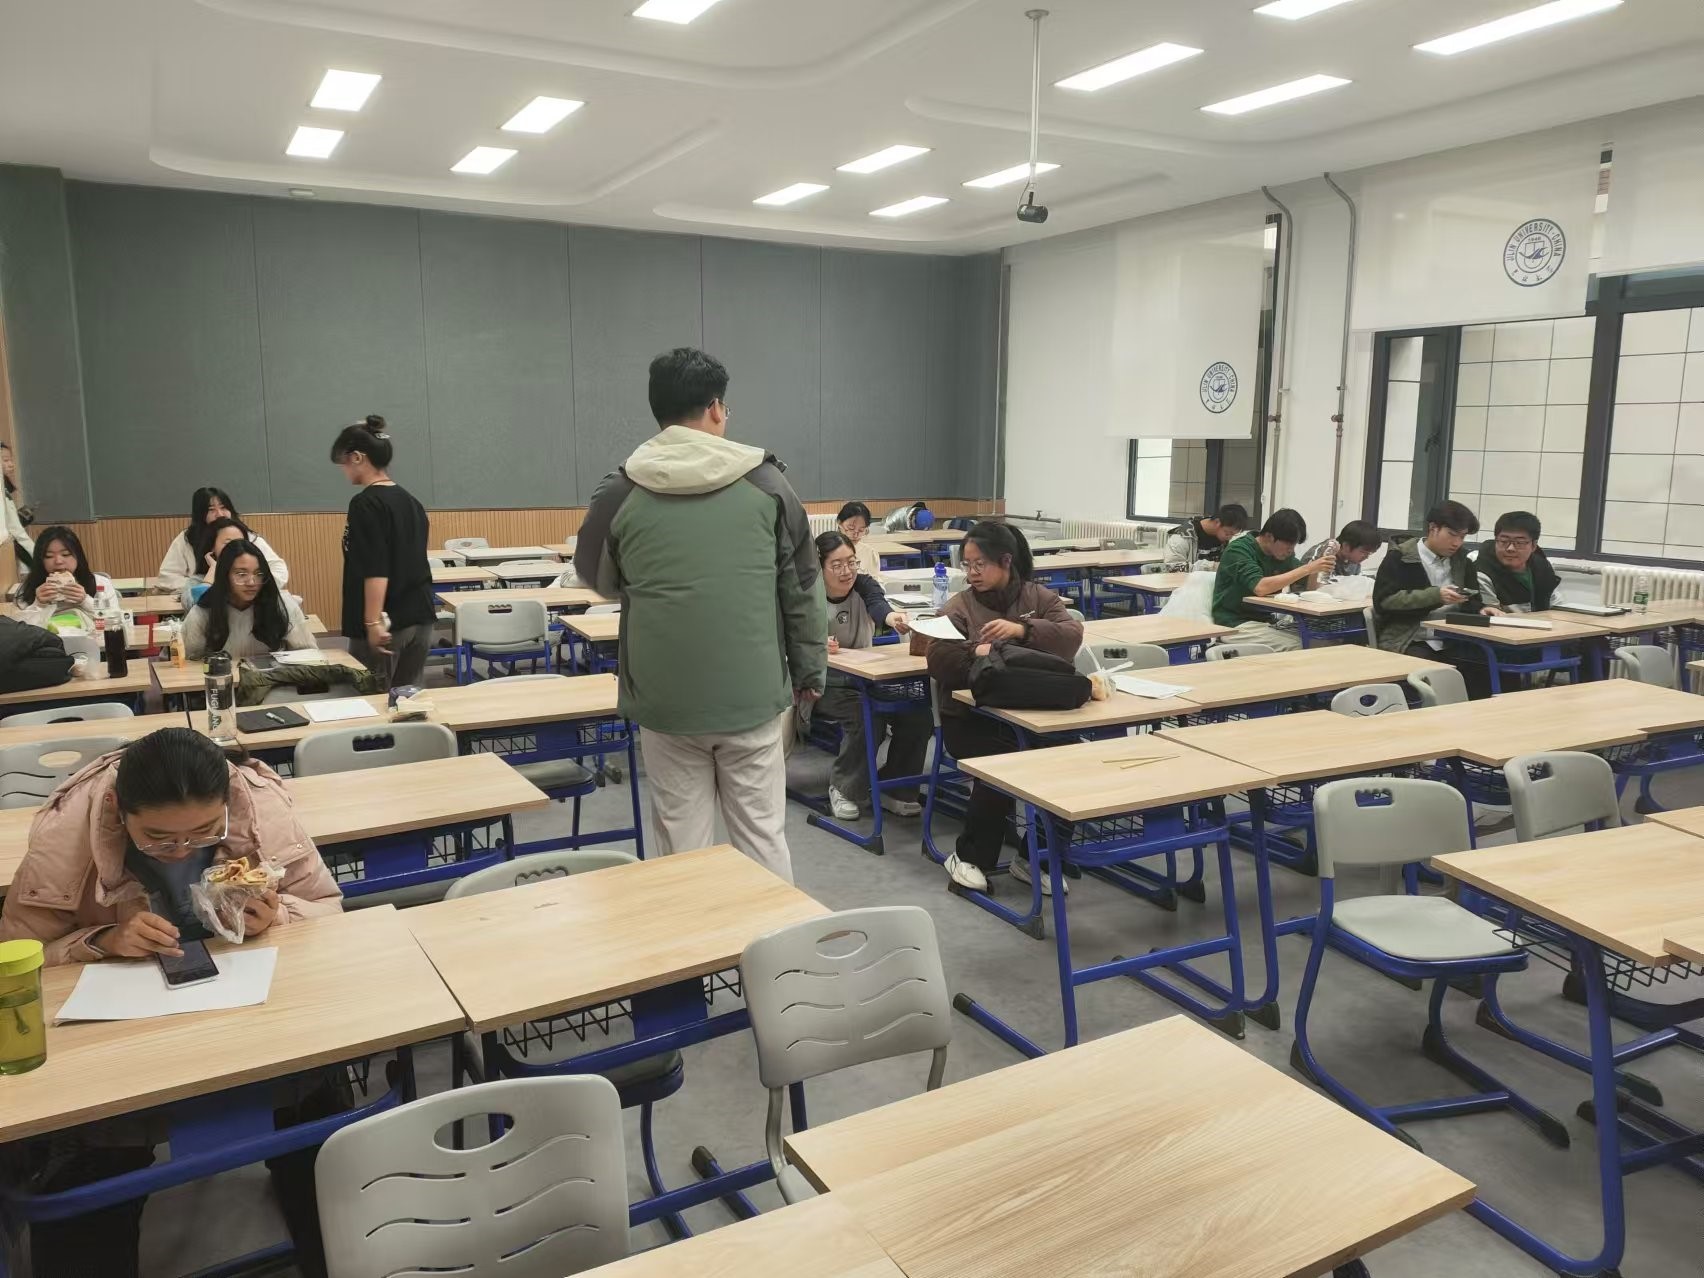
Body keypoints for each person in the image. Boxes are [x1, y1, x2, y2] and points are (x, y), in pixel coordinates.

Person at [0, 728, 343, 1276]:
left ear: (227, 804)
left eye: (204, 833)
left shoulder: (260, 806)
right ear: (119, 812)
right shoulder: (67, 834)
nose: (182, 850)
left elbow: (329, 912)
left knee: (319, 1115)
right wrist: (102, 941)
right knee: (89, 1164)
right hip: (121, 1034)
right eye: (158, 839)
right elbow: (18, 955)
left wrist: (279, 916)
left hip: (250, 1007)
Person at [576, 347, 826, 883]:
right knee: (761, 836)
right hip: (752, 696)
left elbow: (596, 577)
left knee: (681, 848)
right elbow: (803, 588)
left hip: (664, 700)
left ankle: (690, 936)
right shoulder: (768, 483)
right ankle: (774, 936)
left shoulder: (620, 490)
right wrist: (810, 672)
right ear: (715, 407)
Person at [925, 522, 1082, 893]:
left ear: (1006, 561)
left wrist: (1022, 632)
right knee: (1004, 762)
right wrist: (978, 651)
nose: (972, 573)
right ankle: (969, 857)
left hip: (1035, 713)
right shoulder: (960, 606)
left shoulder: (1038, 598)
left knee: (1072, 759)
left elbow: (1071, 638)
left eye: (980, 564)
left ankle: (1035, 857)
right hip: (971, 719)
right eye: (967, 565)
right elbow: (939, 658)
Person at [813, 531, 928, 821]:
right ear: (819, 566)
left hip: (866, 678)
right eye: (837, 565)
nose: (846, 571)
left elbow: (878, 605)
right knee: (867, 716)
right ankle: (845, 788)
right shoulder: (806, 593)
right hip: (821, 682)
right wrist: (816, 642)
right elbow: (790, 636)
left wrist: (891, 618)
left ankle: (896, 788)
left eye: (851, 562)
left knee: (919, 714)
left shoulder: (863, 584)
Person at [331, 415, 434, 689]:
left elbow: (376, 567)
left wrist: (372, 622)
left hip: (388, 622)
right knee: (408, 700)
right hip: (420, 617)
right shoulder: (412, 502)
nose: (343, 469)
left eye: (343, 461)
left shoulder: (365, 504)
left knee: (372, 699)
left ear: (357, 458)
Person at [1372, 500, 1490, 661]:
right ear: (1433, 528)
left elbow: (1473, 601)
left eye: (1462, 537)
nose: (1457, 543)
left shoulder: (1463, 562)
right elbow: (1384, 602)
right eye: (1452, 535)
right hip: (1412, 638)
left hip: (1455, 638)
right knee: (1427, 667)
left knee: (1488, 662)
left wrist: (1482, 609)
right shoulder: (1400, 558)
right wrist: (1435, 596)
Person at [1209, 509, 1333, 652]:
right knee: (1300, 645)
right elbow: (1260, 587)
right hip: (1234, 623)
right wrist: (1308, 568)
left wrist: (1317, 569)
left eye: (1294, 545)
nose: (1291, 550)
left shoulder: (1283, 555)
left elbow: (1310, 588)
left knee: (1320, 640)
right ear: (1269, 536)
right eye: (1288, 544)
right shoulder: (1239, 550)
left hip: (1266, 620)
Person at [181, 539, 317, 660]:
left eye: (258, 574)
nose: (252, 582)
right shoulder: (203, 612)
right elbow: (188, 663)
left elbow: (309, 655)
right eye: (241, 574)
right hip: (222, 679)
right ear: (224, 576)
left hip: (272, 679)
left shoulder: (282, 605)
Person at [156, 487, 288, 594]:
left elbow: (279, 569)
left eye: (224, 507)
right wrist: (205, 586)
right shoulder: (187, 539)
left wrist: (252, 585)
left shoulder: (246, 535)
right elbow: (167, 577)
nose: (220, 514)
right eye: (211, 510)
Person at [15, 525, 121, 631]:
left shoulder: (100, 583)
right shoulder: (28, 588)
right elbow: (19, 631)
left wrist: (85, 601)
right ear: (40, 561)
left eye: (65, 554)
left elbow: (115, 622)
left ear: (78, 556)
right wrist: (38, 604)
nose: (58, 561)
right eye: (49, 556)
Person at [1473, 511, 1559, 614]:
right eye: (1504, 541)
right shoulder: (1481, 573)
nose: (1510, 548)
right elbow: (1492, 614)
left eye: (1520, 543)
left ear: (1533, 545)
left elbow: (1556, 603)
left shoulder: (1542, 566)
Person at [181, 515, 251, 605]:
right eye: (228, 543)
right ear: (212, 547)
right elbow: (195, 606)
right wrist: (213, 570)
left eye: (241, 542)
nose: (237, 547)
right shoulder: (197, 581)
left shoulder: (254, 577)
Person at [1164, 503, 1249, 570]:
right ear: (1217, 522)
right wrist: (1212, 567)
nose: (1229, 537)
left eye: (1233, 534)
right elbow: (1172, 568)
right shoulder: (1182, 537)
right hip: (1185, 585)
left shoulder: (1222, 538)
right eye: (1228, 533)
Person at [1302, 520, 1383, 576]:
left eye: (1369, 553)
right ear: (1346, 546)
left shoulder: (1353, 560)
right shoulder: (1321, 555)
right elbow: (1311, 589)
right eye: (1364, 552)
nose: (1366, 557)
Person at [2, 440, 35, 568]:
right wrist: (38, 557)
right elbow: (16, 531)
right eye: (5, 460)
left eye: (11, 460)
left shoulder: (4, 490)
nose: (11, 464)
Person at [838, 500, 882, 575]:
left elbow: (874, 579)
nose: (855, 535)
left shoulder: (870, 553)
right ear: (839, 523)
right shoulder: (828, 550)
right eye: (851, 529)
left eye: (861, 530)